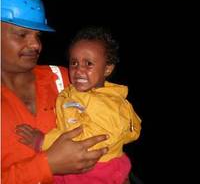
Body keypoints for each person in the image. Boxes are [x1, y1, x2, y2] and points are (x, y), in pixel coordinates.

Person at [1, 0, 109, 184]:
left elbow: (112, 123)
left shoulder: (64, 78)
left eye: (38, 36)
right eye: (22, 34)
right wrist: (48, 165)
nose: (36, 45)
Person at [16, 26, 142, 184]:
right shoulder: (71, 93)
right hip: (76, 168)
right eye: (74, 63)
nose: (79, 69)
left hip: (98, 169)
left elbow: (94, 139)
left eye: (88, 63)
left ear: (107, 68)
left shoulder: (109, 104)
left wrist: (44, 141)